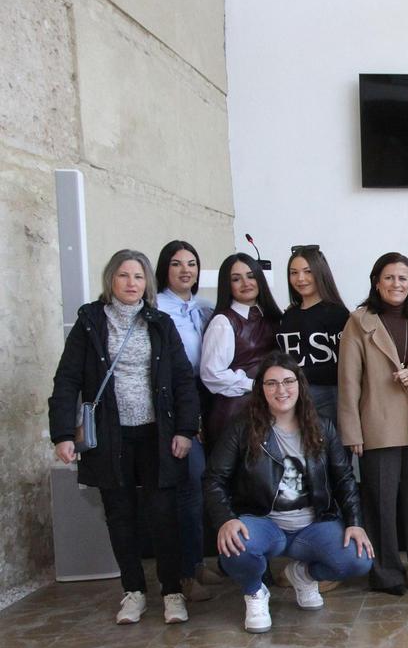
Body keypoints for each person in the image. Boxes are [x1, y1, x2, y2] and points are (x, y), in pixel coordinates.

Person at [49, 249, 201, 625]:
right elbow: (67, 380)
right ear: (110, 280)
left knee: (163, 513)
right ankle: (133, 591)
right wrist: (63, 434)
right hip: (110, 435)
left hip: (156, 433)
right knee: (119, 515)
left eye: (138, 277)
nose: (131, 283)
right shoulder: (90, 322)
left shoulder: (160, 323)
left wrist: (185, 430)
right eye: (123, 276)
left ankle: (171, 591)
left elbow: (183, 380)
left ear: (147, 283)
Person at [205, 353, 374, 633]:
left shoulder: (322, 427)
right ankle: (255, 592)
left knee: (359, 559)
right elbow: (213, 478)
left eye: (287, 381)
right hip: (263, 523)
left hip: (312, 526)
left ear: (300, 385)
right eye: (271, 384)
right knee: (235, 548)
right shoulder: (242, 428)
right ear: (261, 389)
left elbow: (344, 478)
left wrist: (355, 523)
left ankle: (303, 574)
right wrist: (225, 518)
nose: (281, 390)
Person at [339, 253, 408, 596]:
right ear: (376, 282)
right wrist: (352, 431)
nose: (396, 284)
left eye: (403, 278)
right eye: (389, 278)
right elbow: (348, 382)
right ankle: (386, 574)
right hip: (377, 423)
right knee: (380, 499)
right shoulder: (358, 322)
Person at [154, 240, 219, 603]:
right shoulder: (155, 309)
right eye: (177, 264)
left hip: (207, 396)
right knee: (188, 484)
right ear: (165, 269)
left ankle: (196, 564)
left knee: (204, 483)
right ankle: (183, 572)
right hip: (177, 402)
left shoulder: (205, 309)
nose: (185, 270)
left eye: (192, 264)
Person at [200, 253, 282, 447]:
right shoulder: (223, 322)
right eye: (236, 279)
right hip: (235, 413)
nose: (246, 283)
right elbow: (212, 374)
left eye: (251, 276)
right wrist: (255, 385)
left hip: (268, 409)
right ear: (227, 285)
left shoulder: (272, 316)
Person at [277, 245, 350, 422]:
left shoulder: (337, 313)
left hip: (330, 397)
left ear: (320, 273)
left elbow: (344, 366)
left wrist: (298, 374)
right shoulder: (288, 315)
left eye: (307, 271)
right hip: (293, 398)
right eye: (294, 273)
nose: (300, 278)